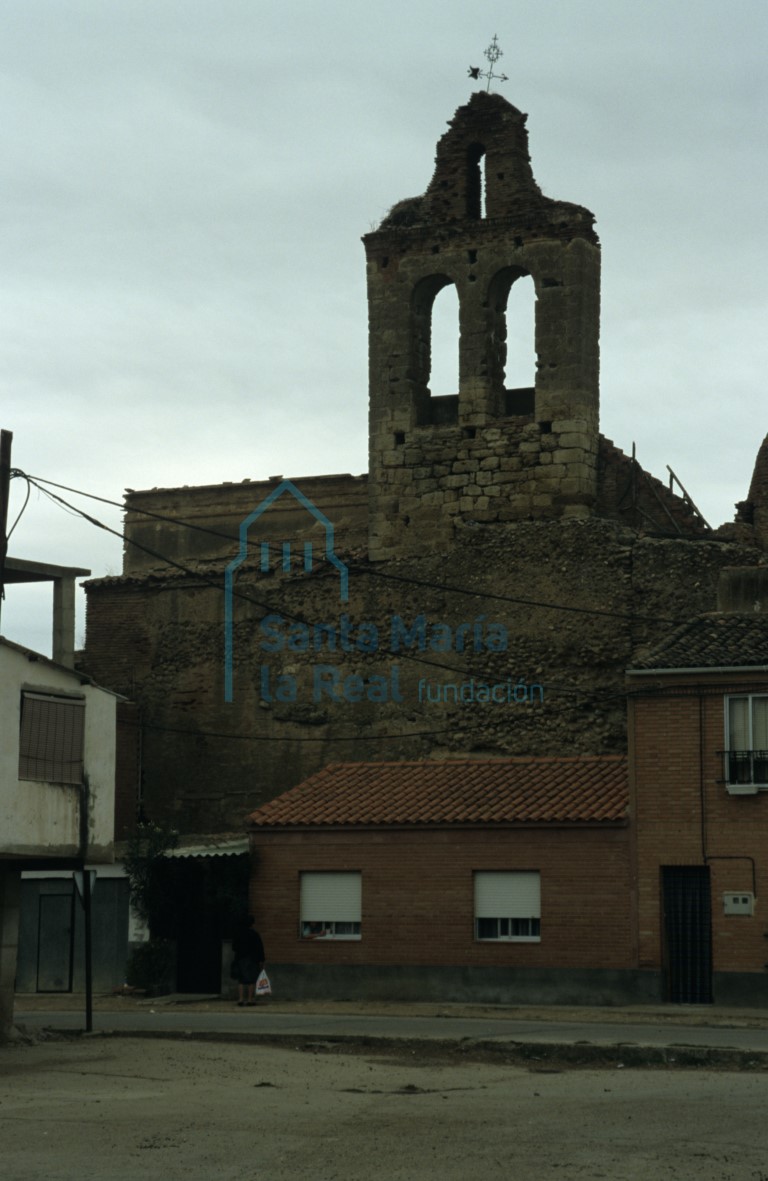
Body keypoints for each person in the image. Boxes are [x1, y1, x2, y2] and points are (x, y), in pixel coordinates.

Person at [231, 916, 266, 1006]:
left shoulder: (238, 934)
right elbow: (260, 948)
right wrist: (261, 960)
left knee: (241, 980)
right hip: (253, 959)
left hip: (240, 958)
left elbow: (234, 947)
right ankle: (250, 1000)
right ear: (252, 924)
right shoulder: (255, 934)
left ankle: (241, 999)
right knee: (252, 980)